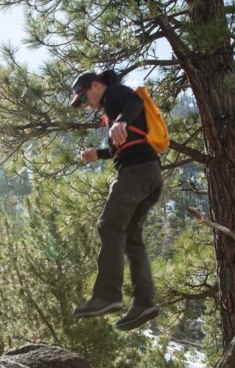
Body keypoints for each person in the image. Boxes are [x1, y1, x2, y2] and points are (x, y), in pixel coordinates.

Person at [69, 69, 163, 331]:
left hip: (136, 172)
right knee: (132, 239)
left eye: (84, 97)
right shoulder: (113, 110)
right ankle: (144, 302)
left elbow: (135, 101)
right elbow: (117, 147)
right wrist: (96, 155)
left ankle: (108, 295)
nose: (87, 104)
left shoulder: (114, 94)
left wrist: (120, 121)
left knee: (109, 225)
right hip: (150, 174)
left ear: (96, 85)